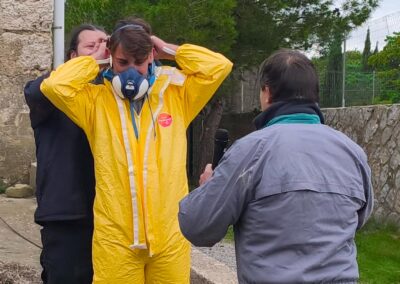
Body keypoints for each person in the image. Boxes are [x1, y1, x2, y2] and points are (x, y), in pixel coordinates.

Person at [40, 17, 233, 283]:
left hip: (169, 237)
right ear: (111, 59)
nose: (132, 72)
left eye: (139, 63)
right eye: (122, 62)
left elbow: (218, 66)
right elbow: (53, 86)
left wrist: (167, 49)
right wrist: (98, 58)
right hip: (116, 242)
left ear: (151, 58)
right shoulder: (95, 101)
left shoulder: (177, 95)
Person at [178, 49, 373, 283]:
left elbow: (198, 226)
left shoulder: (249, 151)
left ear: (267, 92)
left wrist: (206, 189)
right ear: (315, 97)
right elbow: (359, 218)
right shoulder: (353, 152)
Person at [24, 24, 108, 284]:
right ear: (73, 57)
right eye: (91, 46)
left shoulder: (110, 93)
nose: (101, 50)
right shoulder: (51, 91)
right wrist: (91, 63)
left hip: (108, 214)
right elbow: (36, 91)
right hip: (66, 214)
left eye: (105, 44)